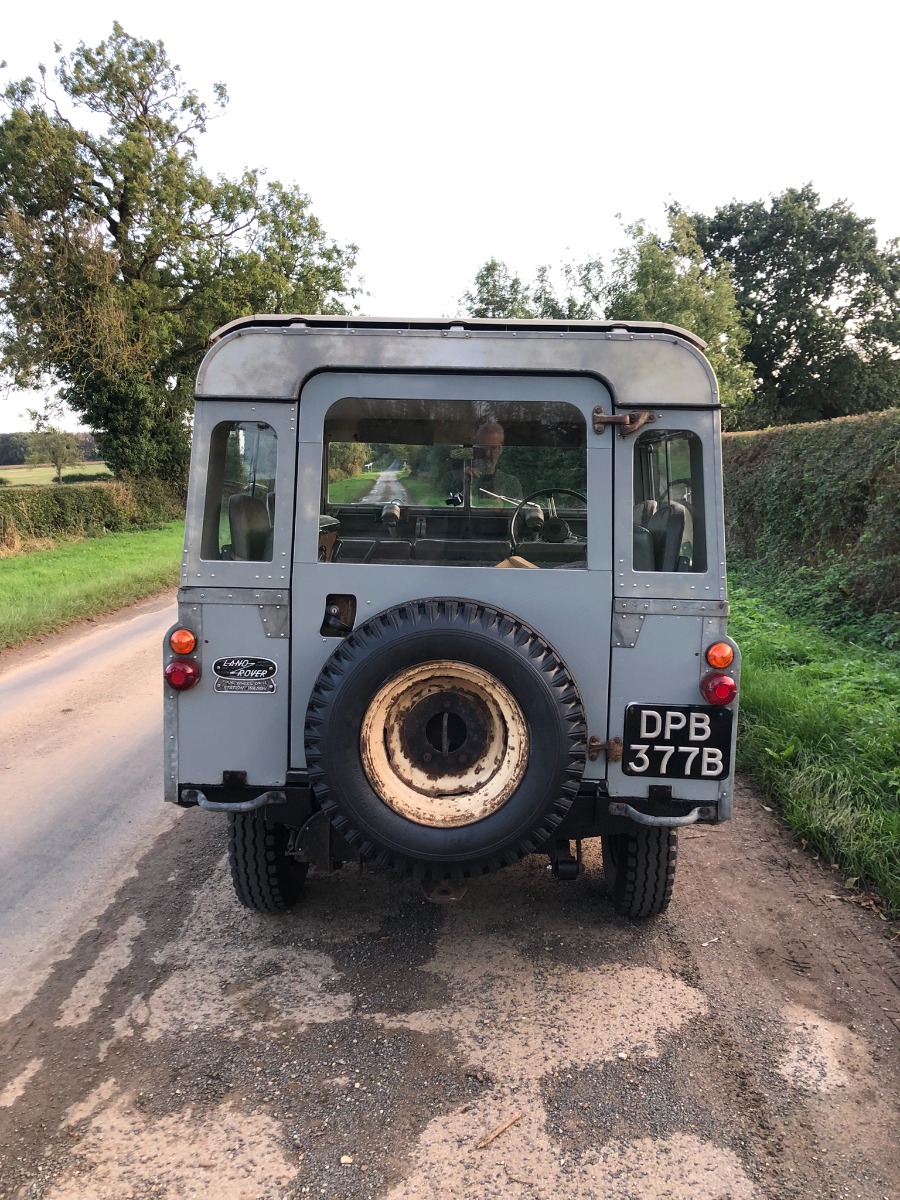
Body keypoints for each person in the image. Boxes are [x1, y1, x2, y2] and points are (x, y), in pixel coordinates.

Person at [468, 421, 524, 509]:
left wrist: (502, 510)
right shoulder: (456, 478)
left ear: (501, 449)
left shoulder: (511, 484)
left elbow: (519, 516)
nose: (487, 454)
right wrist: (463, 487)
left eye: (493, 448)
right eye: (483, 447)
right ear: (475, 448)